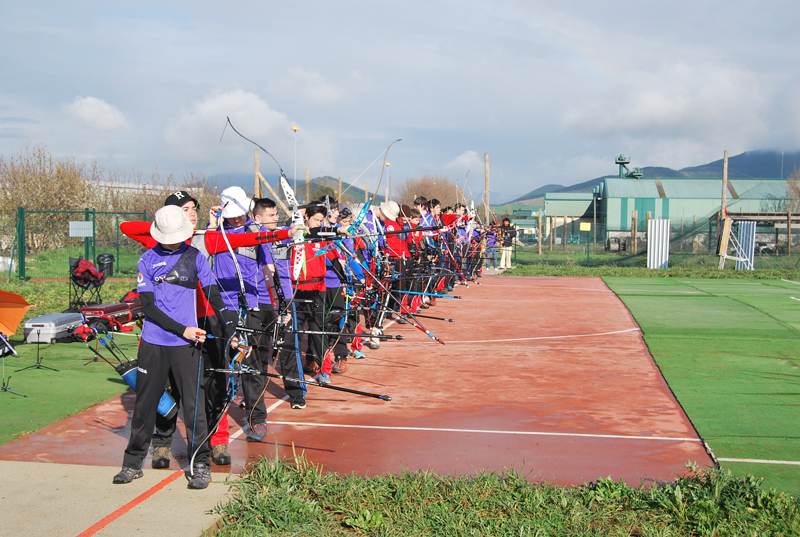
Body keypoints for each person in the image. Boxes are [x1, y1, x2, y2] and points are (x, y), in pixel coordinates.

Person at [113, 205, 234, 489]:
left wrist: (233, 330)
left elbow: (214, 295)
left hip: (186, 347)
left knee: (194, 407)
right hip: (154, 344)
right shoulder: (146, 259)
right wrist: (184, 330)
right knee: (144, 406)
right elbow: (148, 308)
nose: (172, 241)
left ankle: (200, 464)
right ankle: (132, 464)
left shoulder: (196, 257)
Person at [252, 198, 307, 409]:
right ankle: (253, 396)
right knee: (256, 349)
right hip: (259, 300)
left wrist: (301, 226)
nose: (276, 218)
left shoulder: (285, 233)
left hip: (284, 297)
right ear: (258, 218)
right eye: (271, 215)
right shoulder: (252, 237)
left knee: (289, 346)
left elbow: (303, 232)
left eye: (276, 214)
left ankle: (297, 392)